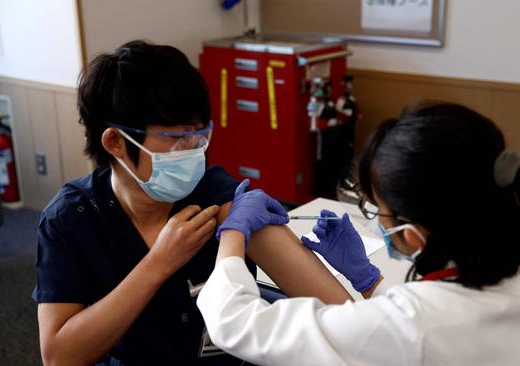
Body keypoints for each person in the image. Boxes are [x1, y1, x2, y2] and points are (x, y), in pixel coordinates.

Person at [197, 101, 520, 365]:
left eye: (378, 210)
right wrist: (371, 282)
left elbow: (238, 324)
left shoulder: (414, 324)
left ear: (415, 233)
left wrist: (233, 233)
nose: (377, 220)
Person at [33, 40, 351, 366]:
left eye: (199, 133)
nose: (194, 148)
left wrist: (370, 288)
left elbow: (342, 315)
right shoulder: (73, 218)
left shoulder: (216, 197)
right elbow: (60, 357)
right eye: (177, 137)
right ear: (115, 141)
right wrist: (157, 264)